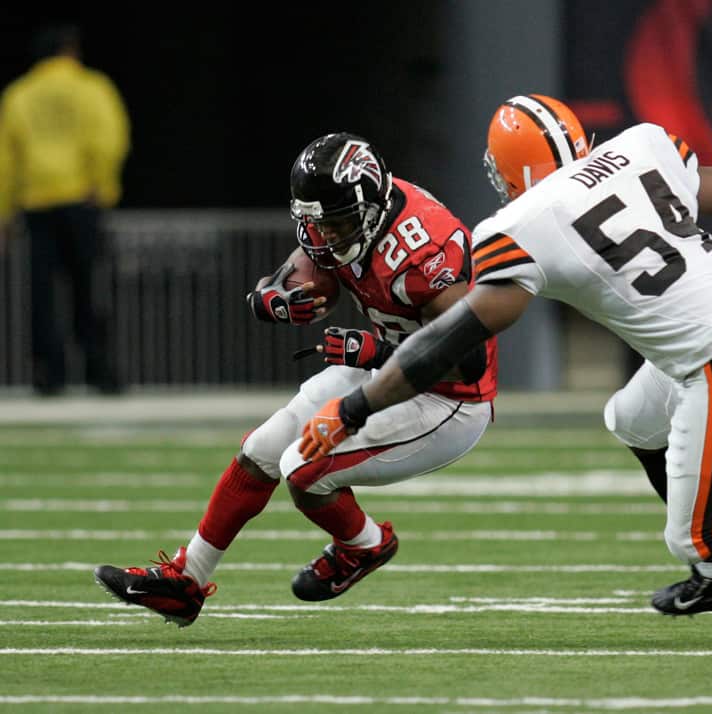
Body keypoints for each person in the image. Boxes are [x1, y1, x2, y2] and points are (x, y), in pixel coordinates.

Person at [293, 94, 712, 649]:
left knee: (707, 532)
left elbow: (449, 341)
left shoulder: (521, 222)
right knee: (630, 418)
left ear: (508, 174)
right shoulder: (644, 147)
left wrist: (355, 408)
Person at [93, 132, 499, 626]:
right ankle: (188, 581)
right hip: (384, 369)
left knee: (304, 469)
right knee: (262, 449)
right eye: (317, 224)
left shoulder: (421, 248)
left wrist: (373, 349)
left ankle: (364, 546)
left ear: (369, 210)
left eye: (338, 225)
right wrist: (272, 300)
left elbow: (468, 358)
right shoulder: (342, 222)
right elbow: (291, 279)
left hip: (446, 399)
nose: (326, 238)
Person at [0, 24, 130, 395]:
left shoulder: (19, 95)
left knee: (41, 293)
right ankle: (98, 369)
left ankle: (48, 375)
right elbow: (110, 137)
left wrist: (4, 211)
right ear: (70, 51)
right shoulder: (92, 87)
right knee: (89, 288)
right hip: (80, 199)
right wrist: (102, 185)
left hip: (36, 202)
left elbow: (5, 159)